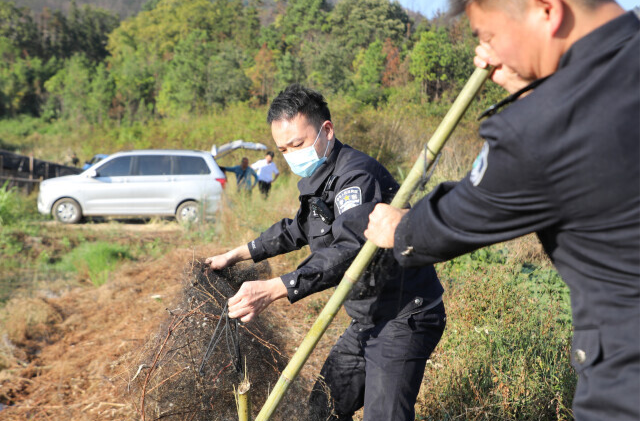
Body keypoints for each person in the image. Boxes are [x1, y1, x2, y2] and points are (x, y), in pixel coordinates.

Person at [365, 1, 640, 420]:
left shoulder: (544, 125)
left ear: (546, 10)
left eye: (488, 37)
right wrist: (534, 82)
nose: (487, 56)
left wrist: (400, 229)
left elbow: (463, 214)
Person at [205, 84, 446, 421]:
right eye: (283, 148)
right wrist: (236, 254)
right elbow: (299, 227)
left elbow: (349, 250)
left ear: (327, 131)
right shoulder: (322, 177)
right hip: (367, 318)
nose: (291, 155)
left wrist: (276, 288)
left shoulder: (355, 177)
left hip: (404, 315)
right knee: (323, 408)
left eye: (298, 144)